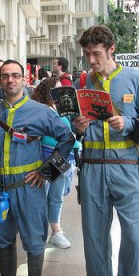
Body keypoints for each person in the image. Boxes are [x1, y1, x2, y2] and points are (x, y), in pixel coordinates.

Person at [74, 25, 139, 276]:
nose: (91, 60)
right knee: (94, 239)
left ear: (111, 50)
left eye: (96, 53)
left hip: (128, 168)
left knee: (132, 236)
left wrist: (128, 123)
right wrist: (77, 127)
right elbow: (73, 128)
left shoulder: (134, 79)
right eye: (87, 54)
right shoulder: (83, 82)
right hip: (93, 168)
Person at [0, 59, 75, 276]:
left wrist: (48, 172)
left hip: (28, 188)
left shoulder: (40, 112)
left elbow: (68, 139)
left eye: (15, 75)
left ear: (24, 79)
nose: (10, 80)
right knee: (2, 239)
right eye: (5, 75)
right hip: (0, 189)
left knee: (35, 241)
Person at [32, 77, 80, 249]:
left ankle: (55, 231)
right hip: (51, 155)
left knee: (57, 195)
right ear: (48, 91)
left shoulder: (59, 109)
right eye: (57, 89)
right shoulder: (43, 110)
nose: (61, 93)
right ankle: (46, 231)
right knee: (47, 195)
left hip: (63, 156)